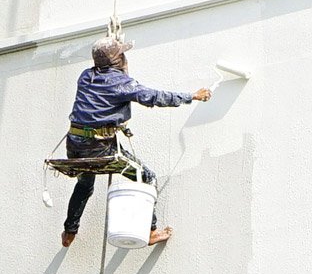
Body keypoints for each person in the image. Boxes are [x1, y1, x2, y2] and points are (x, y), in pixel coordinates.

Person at [61, 36, 212, 248]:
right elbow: (154, 96)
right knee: (147, 177)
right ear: (117, 60)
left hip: (75, 144)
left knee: (85, 184)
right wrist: (192, 96)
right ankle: (150, 232)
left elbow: (104, 94)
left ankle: (69, 231)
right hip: (100, 147)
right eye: (122, 55)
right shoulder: (121, 83)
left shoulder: (85, 76)